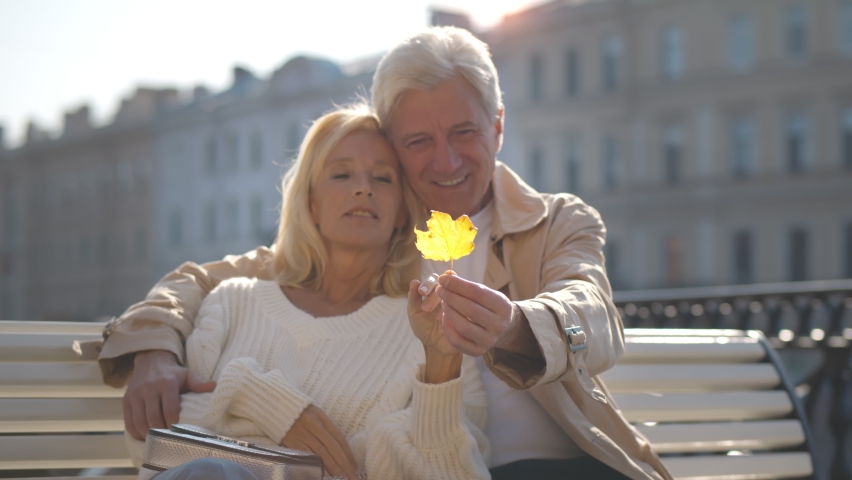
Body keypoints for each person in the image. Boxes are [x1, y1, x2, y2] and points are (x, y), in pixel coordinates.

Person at [100, 27, 671, 480]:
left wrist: (519, 325)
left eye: (463, 132)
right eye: (418, 141)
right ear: (395, 148)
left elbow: (592, 313)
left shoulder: (554, 220)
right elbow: (205, 280)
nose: (445, 162)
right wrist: (153, 348)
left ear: (497, 127)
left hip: (569, 463)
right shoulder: (380, 229)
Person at [127, 104, 490, 479]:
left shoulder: (432, 333)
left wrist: (439, 374)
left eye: (382, 179)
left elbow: (455, 472)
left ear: (401, 212)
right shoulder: (232, 302)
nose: (363, 187)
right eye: (341, 174)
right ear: (312, 202)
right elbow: (163, 441)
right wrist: (264, 401)